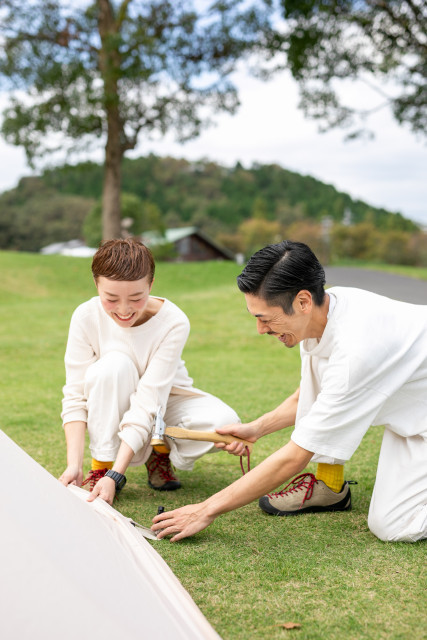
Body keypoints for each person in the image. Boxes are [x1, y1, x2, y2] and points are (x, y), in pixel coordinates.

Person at [152, 240, 427, 543]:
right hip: (414, 419)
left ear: (303, 301)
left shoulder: (355, 352)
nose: (260, 330)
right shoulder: (327, 311)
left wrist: (205, 509)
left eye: (265, 319)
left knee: (395, 525)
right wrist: (257, 428)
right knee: (390, 520)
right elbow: (311, 394)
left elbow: (295, 457)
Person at [58, 238, 239, 505]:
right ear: (96, 285)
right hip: (113, 390)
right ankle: (100, 467)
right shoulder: (85, 316)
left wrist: (116, 477)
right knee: (114, 366)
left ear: (151, 285)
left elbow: (149, 401)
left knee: (225, 422)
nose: (123, 309)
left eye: (136, 297)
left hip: (166, 398)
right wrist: (75, 464)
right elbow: (75, 395)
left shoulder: (174, 321)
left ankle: (158, 451)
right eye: (110, 298)